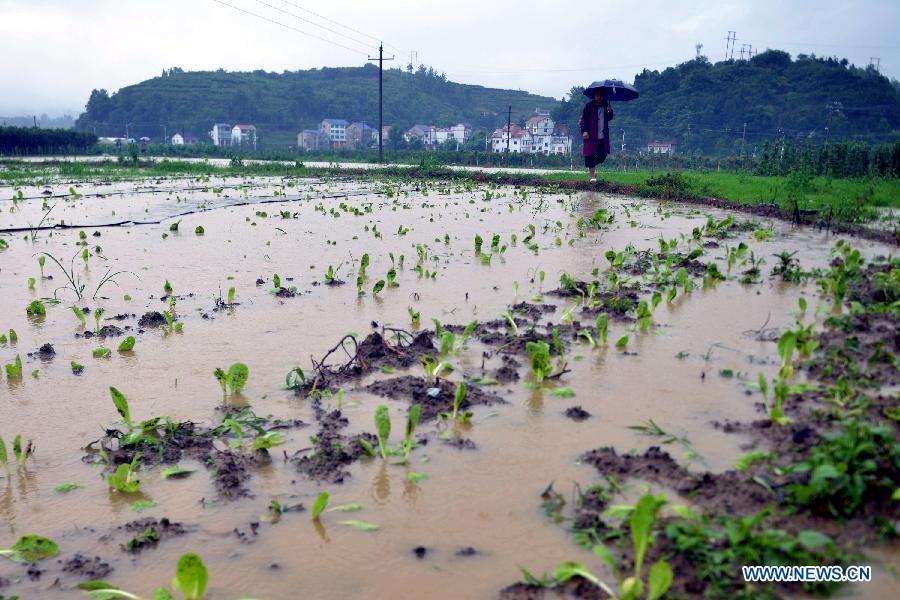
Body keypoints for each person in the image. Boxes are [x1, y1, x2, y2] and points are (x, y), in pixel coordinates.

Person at [579, 88, 614, 183]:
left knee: (603, 154)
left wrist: (610, 111)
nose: (598, 97)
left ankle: (593, 169)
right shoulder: (588, 106)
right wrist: (584, 131)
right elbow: (583, 120)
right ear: (594, 96)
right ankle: (593, 177)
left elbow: (610, 118)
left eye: (600, 95)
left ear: (602, 96)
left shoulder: (606, 105)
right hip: (591, 136)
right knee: (589, 156)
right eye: (597, 95)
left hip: (602, 136)